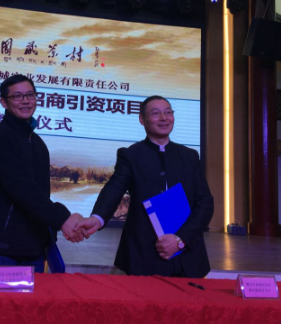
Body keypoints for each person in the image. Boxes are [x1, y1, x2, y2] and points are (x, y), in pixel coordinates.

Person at [74, 96, 214, 278]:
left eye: (168, 112)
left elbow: (205, 202)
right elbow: (115, 187)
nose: (164, 118)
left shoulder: (189, 156)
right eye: (156, 113)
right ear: (142, 119)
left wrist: (181, 239)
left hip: (187, 254)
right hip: (143, 253)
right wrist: (97, 217)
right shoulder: (131, 155)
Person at [0, 75, 84, 273]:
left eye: (30, 95)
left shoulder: (37, 143)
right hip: (1, 250)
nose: (25, 101)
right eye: (17, 96)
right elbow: (21, 188)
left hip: (34, 250)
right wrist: (62, 219)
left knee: (36, 296)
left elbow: (40, 194)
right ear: (3, 102)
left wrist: (51, 232)